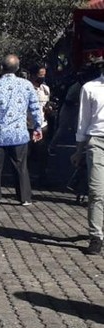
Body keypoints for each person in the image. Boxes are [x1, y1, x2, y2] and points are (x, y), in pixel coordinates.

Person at [0, 54, 43, 207]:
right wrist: (37, 127)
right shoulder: (26, 85)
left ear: (2, 67)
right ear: (18, 68)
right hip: (18, 133)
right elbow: (35, 109)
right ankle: (24, 197)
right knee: (21, 166)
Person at [71, 56, 104, 255]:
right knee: (97, 191)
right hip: (97, 142)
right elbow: (83, 122)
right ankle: (96, 236)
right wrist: (78, 150)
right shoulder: (90, 88)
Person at [27, 64, 52, 185]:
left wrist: (49, 109)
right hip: (27, 125)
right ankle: (24, 178)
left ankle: (42, 177)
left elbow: (46, 105)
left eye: (44, 75)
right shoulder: (26, 88)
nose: (42, 77)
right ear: (32, 75)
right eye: (40, 75)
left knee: (42, 153)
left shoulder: (45, 89)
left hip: (42, 125)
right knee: (26, 154)